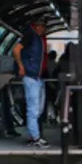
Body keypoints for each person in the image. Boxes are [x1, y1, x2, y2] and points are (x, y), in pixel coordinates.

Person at [13, 18, 50, 148]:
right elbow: (16, 49)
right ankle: (35, 137)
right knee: (33, 109)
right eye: (42, 26)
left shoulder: (38, 38)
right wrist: (21, 66)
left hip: (38, 77)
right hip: (30, 76)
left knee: (38, 108)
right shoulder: (30, 36)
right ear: (37, 26)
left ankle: (31, 135)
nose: (43, 29)